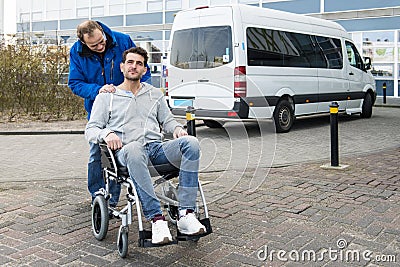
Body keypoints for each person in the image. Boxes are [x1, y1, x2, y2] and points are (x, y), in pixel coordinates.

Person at [85, 47, 206, 244]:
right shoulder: (107, 96)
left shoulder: (154, 94)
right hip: (125, 153)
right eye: (130, 62)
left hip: (155, 150)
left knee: (191, 143)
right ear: (122, 67)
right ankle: (157, 220)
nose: (134, 66)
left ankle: (186, 215)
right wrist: (106, 133)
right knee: (134, 148)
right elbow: (91, 130)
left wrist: (177, 130)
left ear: (145, 70)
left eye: (139, 63)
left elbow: (168, 121)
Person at [68, 20, 151, 208]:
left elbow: (139, 68)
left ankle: (116, 196)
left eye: (101, 41)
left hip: (127, 110)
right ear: (83, 42)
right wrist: (98, 90)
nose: (99, 46)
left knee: (126, 148)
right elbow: (75, 83)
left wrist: (141, 93)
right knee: (97, 153)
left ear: (103, 33)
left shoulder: (122, 40)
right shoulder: (77, 52)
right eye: (93, 45)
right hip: (99, 109)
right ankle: (98, 195)